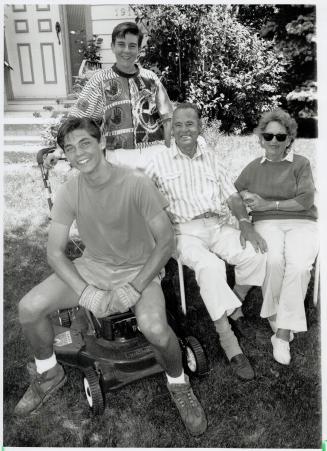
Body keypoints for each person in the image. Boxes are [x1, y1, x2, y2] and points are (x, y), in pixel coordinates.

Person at [14, 117, 207, 437]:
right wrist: (85, 292)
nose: (78, 153)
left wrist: (134, 286)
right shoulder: (69, 191)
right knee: (29, 308)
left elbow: (166, 243)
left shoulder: (136, 183)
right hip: (94, 266)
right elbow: (54, 253)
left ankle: (179, 383)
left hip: (140, 269)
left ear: (101, 143)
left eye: (85, 143)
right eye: (70, 148)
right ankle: (48, 373)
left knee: (156, 329)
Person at [145, 103, 268, 381]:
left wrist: (246, 225)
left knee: (257, 254)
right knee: (211, 267)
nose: (184, 129)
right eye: (178, 125)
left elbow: (232, 196)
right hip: (183, 232)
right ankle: (228, 339)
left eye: (190, 124)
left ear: (200, 127)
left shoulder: (212, 157)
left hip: (218, 224)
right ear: (171, 130)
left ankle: (235, 302)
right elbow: (141, 196)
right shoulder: (158, 162)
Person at [234, 109, 319, 365]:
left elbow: (305, 201)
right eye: (268, 136)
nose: (273, 142)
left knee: (300, 265)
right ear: (260, 138)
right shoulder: (253, 168)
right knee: (272, 261)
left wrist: (267, 204)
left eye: (280, 137)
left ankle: (281, 335)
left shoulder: (300, 163)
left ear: (289, 140)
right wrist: (243, 217)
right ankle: (274, 314)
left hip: (301, 222)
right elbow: (234, 194)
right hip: (267, 223)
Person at [45, 21, 173, 170]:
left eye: (132, 46)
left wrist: (168, 149)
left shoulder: (150, 78)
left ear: (139, 49)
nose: (126, 50)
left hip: (155, 155)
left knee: (153, 193)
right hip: (119, 157)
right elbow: (77, 118)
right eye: (121, 44)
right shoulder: (100, 80)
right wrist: (59, 150)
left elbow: (167, 116)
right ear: (112, 46)